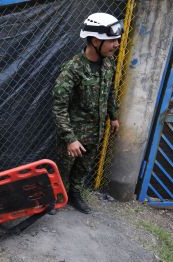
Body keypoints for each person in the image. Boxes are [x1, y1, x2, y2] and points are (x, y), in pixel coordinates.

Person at [52, 13, 121, 214]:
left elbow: (109, 91)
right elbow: (58, 106)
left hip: (96, 131)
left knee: (83, 169)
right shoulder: (73, 69)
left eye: (117, 40)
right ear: (95, 40)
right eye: (112, 40)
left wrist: (113, 116)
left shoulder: (108, 64)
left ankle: (75, 194)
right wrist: (69, 138)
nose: (116, 44)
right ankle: (56, 197)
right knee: (64, 169)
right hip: (73, 134)